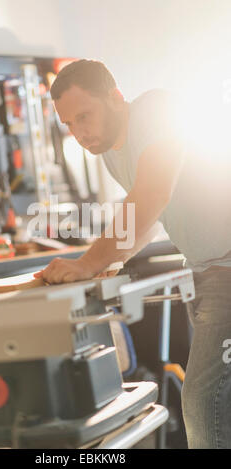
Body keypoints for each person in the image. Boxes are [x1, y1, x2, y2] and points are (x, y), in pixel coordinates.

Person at [34, 59, 231, 448]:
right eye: (69, 124)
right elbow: (156, 216)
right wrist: (112, 261)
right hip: (206, 273)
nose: (79, 133)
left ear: (116, 97)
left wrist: (90, 261)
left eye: (84, 116)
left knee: (203, 405)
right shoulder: (111, 152)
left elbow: (153, 195)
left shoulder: (157, 110)